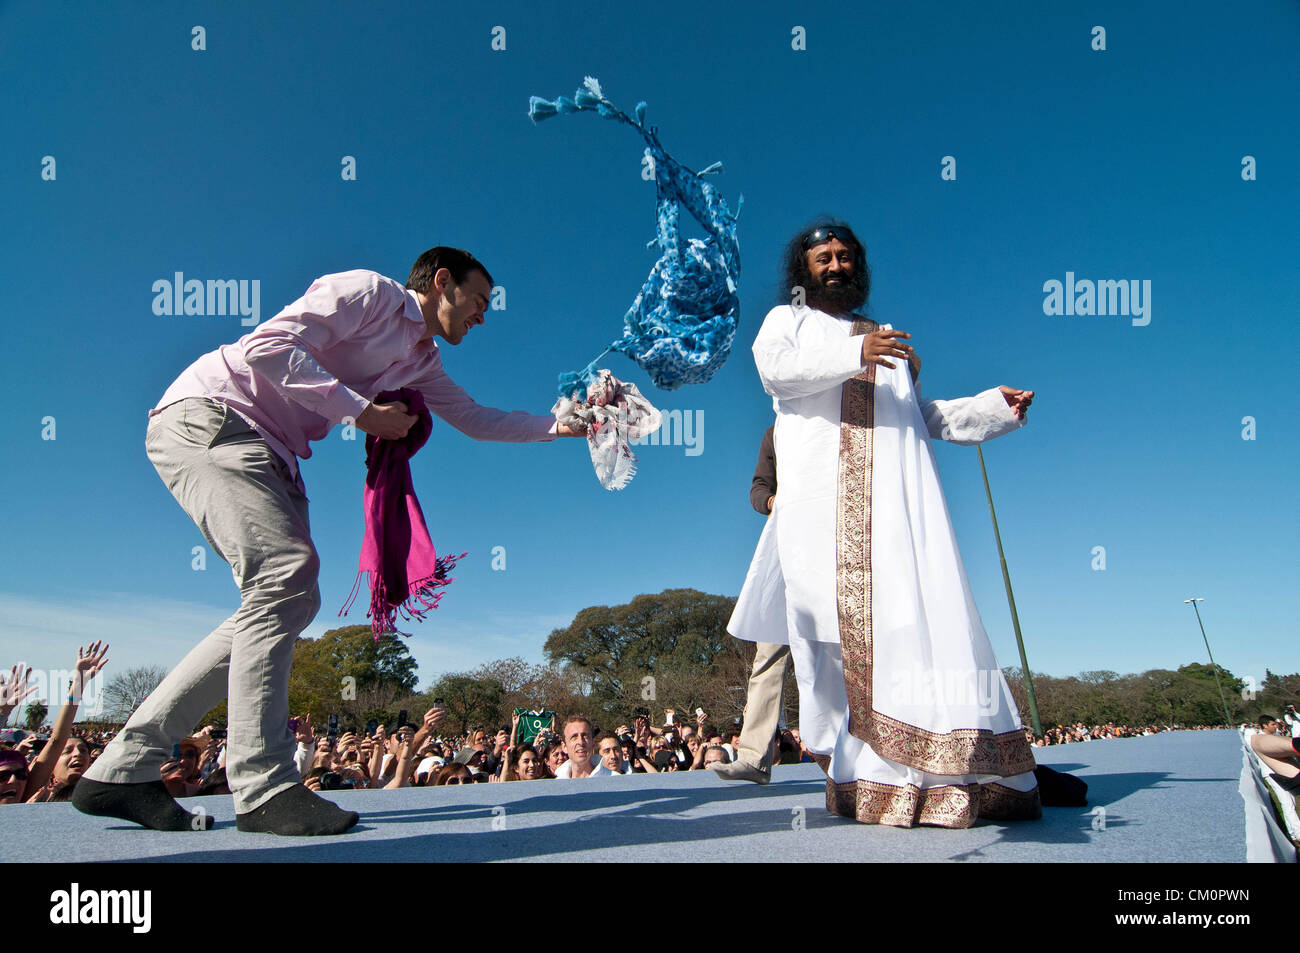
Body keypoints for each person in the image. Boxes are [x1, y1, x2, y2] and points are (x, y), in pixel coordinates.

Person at [74, 248, 584, 836]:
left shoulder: (421, 359)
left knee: (291, 595)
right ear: (442, 282)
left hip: (271, 450)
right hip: (214, 418)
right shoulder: (367, 292)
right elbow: (268, 347)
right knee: (284, 578)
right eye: (479, 301)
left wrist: (562, 426)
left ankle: (123, 769)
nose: (483, 317)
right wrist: (363, 412)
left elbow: (475, 419)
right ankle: (262, 786)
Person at [728, 221, 1041, 829]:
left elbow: (919, 417)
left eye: (846, 256)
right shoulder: (785, 323)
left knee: (903, 630)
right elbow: (777, 375)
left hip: (891, 516)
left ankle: (923, 775)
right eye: (823, 257)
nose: (836, 265)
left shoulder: (883, 337)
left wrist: (991, 407)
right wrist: (855, 354)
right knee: (830, 641)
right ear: (804, 269)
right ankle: (861, 771)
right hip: (819, 512)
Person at [711, 429, 796, 784]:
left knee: (841, 653)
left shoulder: (838, 418)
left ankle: (861, 757)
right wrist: (773, 502)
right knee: (769, 653)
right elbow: (759, 486)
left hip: (838, 547)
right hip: (787, 549)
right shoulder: (776, 433)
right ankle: (753, 758)